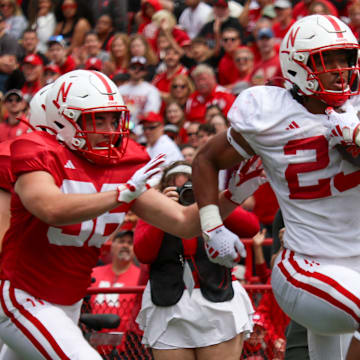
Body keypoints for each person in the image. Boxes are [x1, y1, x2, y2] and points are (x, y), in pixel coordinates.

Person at [0, 69, 265, 359]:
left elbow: (184, 223)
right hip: (22, 293)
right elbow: (48, 208)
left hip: (67, 300)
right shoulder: (36, 150)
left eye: (113, 118)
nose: (108, 128)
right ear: (64, 120)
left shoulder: (121, 168)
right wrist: (119, 194)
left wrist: (232, 195)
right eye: (96, 119)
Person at [192, 14, 360, 360]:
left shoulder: (354, 112)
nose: (340, 70)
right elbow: (205, 159)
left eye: (346, 59)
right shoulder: (270, 113)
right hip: (307, 265)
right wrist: (211, 225)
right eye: (328, 60)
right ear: (298, 65)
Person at [134, 160, 256, 359]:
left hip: (218, 297)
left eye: (189, 186)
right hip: (168, 303)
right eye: (176, 187)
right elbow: (143, 254)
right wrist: (162, 211)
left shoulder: (210, 203)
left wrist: (208, 202)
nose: (184, 194)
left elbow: (251, 227)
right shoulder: (153, 212)